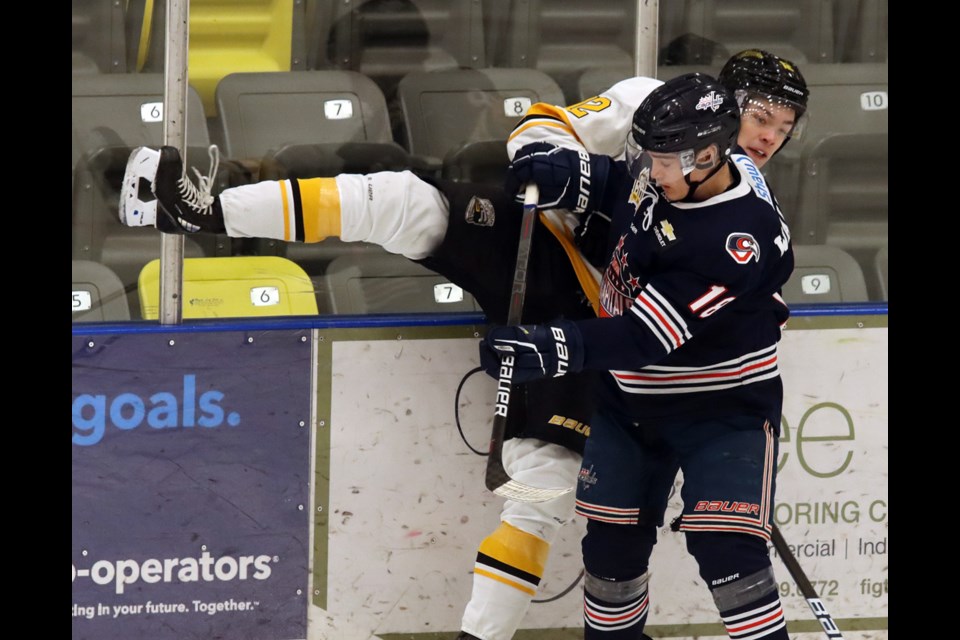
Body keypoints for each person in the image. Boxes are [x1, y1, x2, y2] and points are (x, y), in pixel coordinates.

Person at [117, 49, 807, 640]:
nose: (769, 136)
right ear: (721, 110)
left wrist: (559, 347)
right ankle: (206, 208)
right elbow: (546, 126)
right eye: (760, 116)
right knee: (404, 201)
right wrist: (550, 164)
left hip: (609, 338)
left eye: (783, 126)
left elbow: (655, 329)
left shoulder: (740, 221)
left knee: (543, 487)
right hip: (548, 251)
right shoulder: (653, 112)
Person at [480, 73, 796, 639]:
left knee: (727, 551)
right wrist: (575, 177)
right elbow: (622, 189)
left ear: (710, 154)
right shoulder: (675, 171)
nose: (655, 172)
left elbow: (644, 337)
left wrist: (552, 348)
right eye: (650, 157)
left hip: (722, 410)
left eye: (668, 162)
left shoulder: (737, 239)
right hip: (626, 405)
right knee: (610, 557)